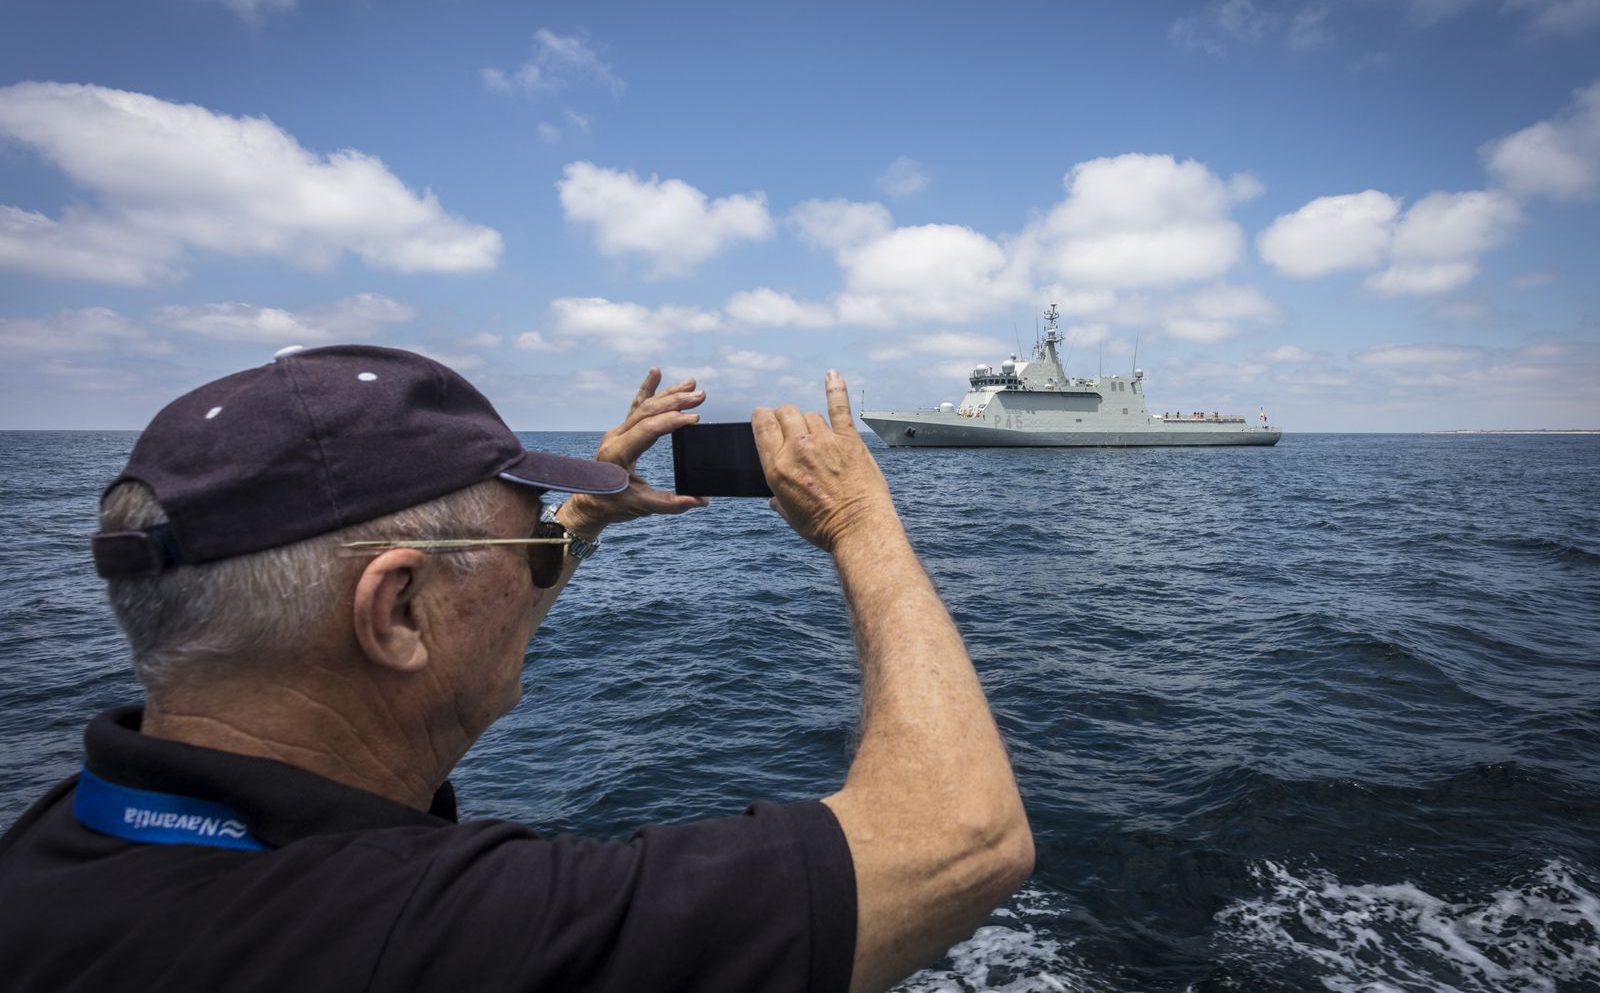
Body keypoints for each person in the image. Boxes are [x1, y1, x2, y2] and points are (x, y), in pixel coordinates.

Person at [0, 344, 1032, 992]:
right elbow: (963, 836)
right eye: (518, 539)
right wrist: (859, 521)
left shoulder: (59, 845)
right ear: (398, 609)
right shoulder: (442, 939)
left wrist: (574, 517)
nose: (539, 551)